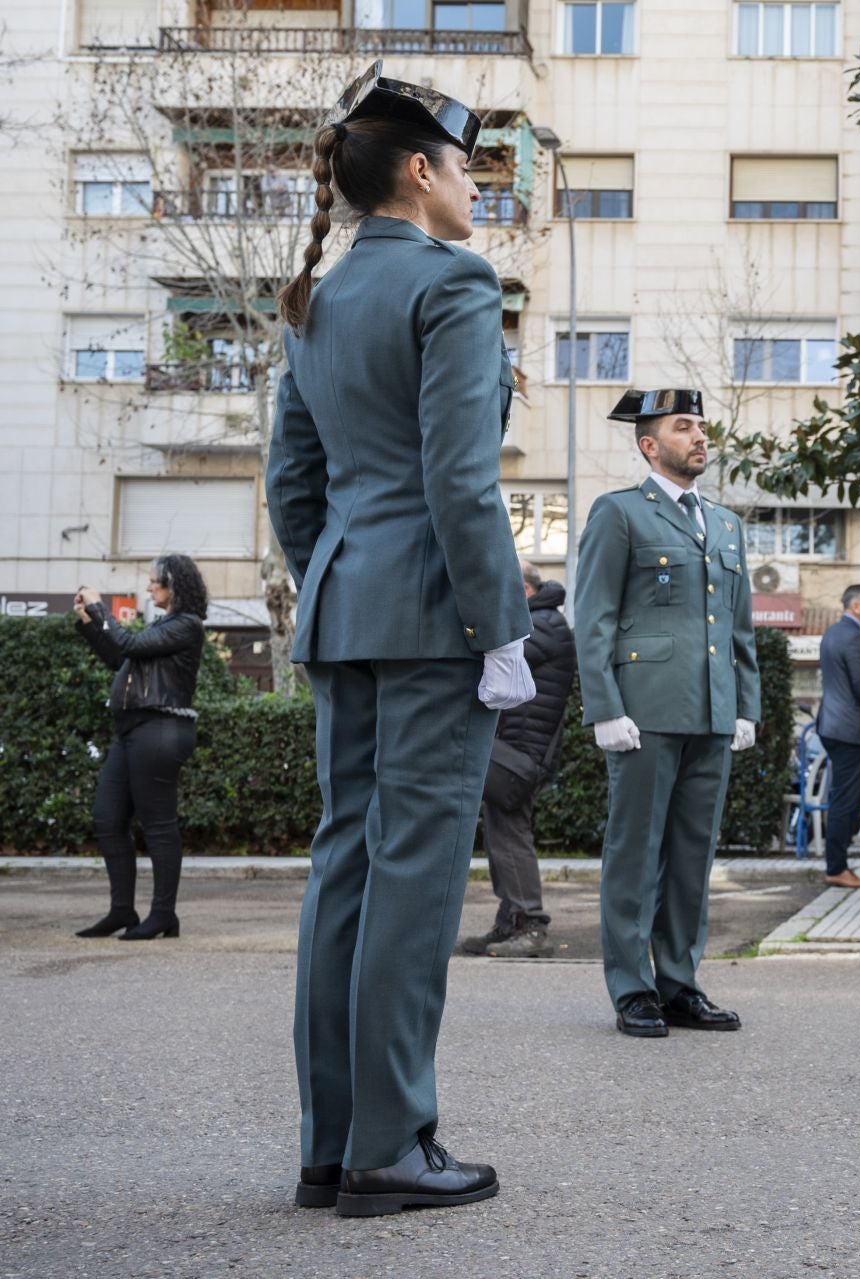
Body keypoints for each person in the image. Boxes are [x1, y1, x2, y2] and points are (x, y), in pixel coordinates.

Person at [267, 62, 533, 1218]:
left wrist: (339, 580)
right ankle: (391, 1145)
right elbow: (462, 485)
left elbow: (294, 485)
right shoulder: (454, 285)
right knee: (415, 880)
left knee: (346, 871)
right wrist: (498, 628)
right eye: (467, 166)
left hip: (346, 607)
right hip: (433, 617)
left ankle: (333, 1145)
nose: (477, 189)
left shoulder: (316, 294)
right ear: (420, 171)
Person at [573, 388, 760, 1040]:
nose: (699, 436)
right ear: (650, 444)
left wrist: (746, 706)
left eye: (702, 426)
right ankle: (633, 987)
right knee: (635, 854)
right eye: (685, 427)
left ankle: (679, 982)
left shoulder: (727, 525)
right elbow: (591, 616)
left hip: (710, 711)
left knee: (690, 856)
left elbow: (739, 630)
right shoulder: (620, 514)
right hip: (645, 712)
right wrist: (603, 705)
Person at [70, 557, 207, 941]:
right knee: (108, 818)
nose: (149, 589)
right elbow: (120, 655)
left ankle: (163, 915)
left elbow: (126, 642)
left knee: (158, 824)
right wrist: (89, 621)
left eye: (154, 582)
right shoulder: (163, 626)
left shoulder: (186, 625)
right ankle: (122, 911)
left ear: (173, 585)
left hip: (161, 727)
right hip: (132, 729)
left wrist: (101, 607)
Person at [460, 559, 577, 959]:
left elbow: (491, 658)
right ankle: (511, 920)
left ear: (523, 590)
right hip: (513, 750)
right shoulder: (539, 620)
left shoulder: (543, 625)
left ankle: (530, 922)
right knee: (502, 833)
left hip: (521, 754)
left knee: (510, 837)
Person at [816, 584, 860, 889]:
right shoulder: (854, 637)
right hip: (850, 730)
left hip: (831, 725)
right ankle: (837, 868)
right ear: (857, 606)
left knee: (842, 797)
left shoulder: (832, 633)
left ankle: (837, 864)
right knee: (846, 799)